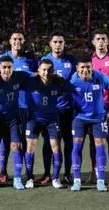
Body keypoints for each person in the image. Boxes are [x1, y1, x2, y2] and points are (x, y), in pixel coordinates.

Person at [0, 31, 38, 183]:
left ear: (24, 40)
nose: (17, 41)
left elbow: (37, 76)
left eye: (20, 39)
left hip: (26, 106)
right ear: (10, 41)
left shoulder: (31, 59)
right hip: (9, 107)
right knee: (6, 141)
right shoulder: (2, 58)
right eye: (14, 39)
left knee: (26, 141)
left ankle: (28, 172)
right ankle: (2, 171)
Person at [0, 55, 32, 189]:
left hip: (13, 120)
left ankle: (17, 179)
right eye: (4, 67)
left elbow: (37, 74)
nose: (6, 70)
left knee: (16, 146)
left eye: (9, 67)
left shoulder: (20, 76)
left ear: (13, 68)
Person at [22, 59, 64, 189]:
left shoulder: (58, 82)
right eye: (43, 69)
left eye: (49, 70)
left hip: (52, 119)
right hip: (34, 119)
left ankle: (55, 178)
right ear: (38, 71)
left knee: (55, 147)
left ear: (53, 71)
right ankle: (29, 178)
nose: (46, 72)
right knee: (30, 147)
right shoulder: (30, 81)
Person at [41, 31, 76, 184]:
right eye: (55, 42)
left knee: (68, 142)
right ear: (50, 44)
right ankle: (47, 173)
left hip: (68, 109)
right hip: (50, 110)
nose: (58, 45)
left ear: (64, 44)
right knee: (49, 142)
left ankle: (68, 173)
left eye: (60, 42)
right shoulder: (44, 60)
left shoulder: (72, 60)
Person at [70, 55, 109, 192]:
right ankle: (77, 181)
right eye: (82, 67)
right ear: (77, 68)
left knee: (100, 145)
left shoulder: (100, 77)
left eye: (88, 67)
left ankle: (100, 181)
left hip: (98, 118)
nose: (85, 70)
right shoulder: (73, 81)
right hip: (80, 119)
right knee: (77, 146)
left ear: (92, 67)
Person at [86, 30, 109, 184]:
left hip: (108, 107)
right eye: (98, 39)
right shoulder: (89, 62)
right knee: (94, 142)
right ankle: (95, 172)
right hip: (93, 110)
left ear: (107, 42)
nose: (101, 41)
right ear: (93, 42)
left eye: (103, 39)